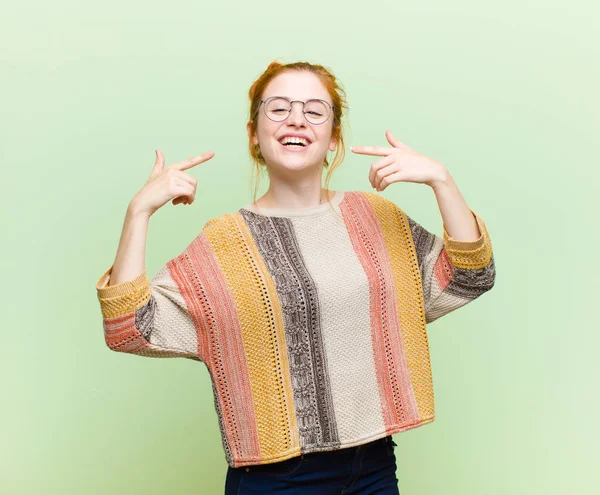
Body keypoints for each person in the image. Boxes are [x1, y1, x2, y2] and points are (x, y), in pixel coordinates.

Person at [95, 60, 496, 494]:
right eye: (279, 108)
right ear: (254, 133)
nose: (296, 119)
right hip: (275, 479)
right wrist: (138, 212)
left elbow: (471, 276)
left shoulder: (375, 217)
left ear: (333, 138)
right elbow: (129, 329)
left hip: (374, 465)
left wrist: (442, 181)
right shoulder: (224, 243)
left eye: (314, 110)